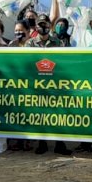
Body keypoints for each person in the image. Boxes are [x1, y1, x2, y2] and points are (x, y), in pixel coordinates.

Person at [26, 14, 70, 155]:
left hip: (55, 84)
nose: (43, 27)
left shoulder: (58, 42)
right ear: (36, 26)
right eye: (40, 24)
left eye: (45, 24)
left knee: (58, 114)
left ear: (49, 26)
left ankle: (59, 143)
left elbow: (64, 62)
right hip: (37, 84)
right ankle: (42, 143)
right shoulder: (30, 43)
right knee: (40, 114)